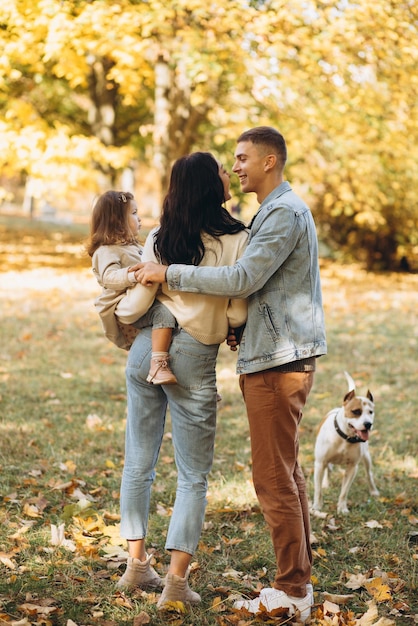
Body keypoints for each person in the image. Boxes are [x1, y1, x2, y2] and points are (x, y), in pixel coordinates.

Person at [135, 127, 327, 623]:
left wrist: (170, 272)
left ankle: (291, 590)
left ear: (270, 162)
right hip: (272, 352)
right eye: (233, 160)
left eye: (242, 159)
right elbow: (259, 290)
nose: (235, 166)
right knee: (286, 472)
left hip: (280, 360)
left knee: (271, 478)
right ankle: (298, 581)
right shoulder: (270, 213)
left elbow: (243, 279)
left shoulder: (283, 213)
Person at [113, 152, 249, 608]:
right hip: (192, 356)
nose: (228, 175)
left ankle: (136, 565)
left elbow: (139, 298)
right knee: (193, 476)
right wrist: (230, 324)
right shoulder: (236, 239)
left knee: (138, 461)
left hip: (144, 349)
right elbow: (237, 308)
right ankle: (173, 581)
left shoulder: (159, 235)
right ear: (210, 186)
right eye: (221, 171)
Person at [86, 190, 177, 384]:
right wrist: (134, 275)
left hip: (142, 300)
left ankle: (187, 377)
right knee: (164, 315)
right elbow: (109, 277)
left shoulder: (132, 246)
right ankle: (157, 365)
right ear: (116, 221)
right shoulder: (105, 251)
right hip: (124, 307)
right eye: (134, 213)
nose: (139, 218)